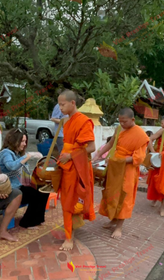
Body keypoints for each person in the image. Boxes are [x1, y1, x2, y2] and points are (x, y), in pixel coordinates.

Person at [93, 108, 149, 239]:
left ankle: (119, 227)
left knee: (124, 196)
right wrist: (99, 154)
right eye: (120, 121)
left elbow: (138, 158)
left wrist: (119, 161)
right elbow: (111, 143)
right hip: (114, 168)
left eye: (124, 122)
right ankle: (113, 219)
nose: (122, 124)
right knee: (112, 193)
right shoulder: (119, 129)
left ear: (132, 120)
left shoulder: (140, 135)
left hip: (128, 170)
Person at [56, 90, 96, 251]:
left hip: (78, 167)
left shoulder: (84, 121)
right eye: (58, 104)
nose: (60, 108)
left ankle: (69, 237)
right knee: (67, 200)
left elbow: (91, 147)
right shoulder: (67, 121)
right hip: (67, 165)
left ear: (73, 103)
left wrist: (71, 156)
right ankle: (69, 234)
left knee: (74, 199)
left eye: (62, 104)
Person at [0, 128, 50, 228]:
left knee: (43, 188)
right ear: (14, 141)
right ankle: (27, 222)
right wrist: (28, 156)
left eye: (25, 141)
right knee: (34, 193)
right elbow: (12, 166)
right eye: (21, 141)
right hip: (10, 190)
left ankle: (37, 219)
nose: (24, 144)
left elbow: (25, 174)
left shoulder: (18, 154)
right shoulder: (6, 153)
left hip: (20, 186)